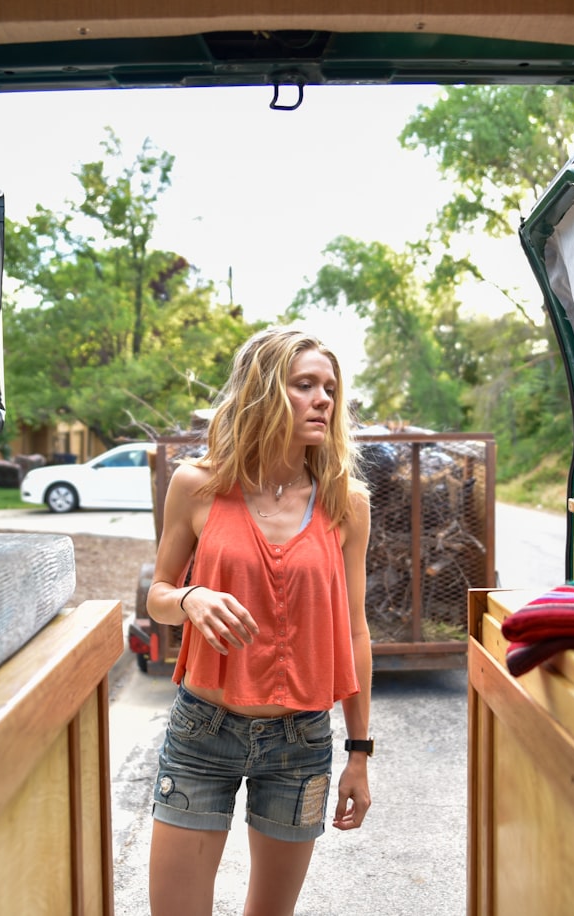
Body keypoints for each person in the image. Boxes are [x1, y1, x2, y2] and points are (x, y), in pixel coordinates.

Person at [146, 326, 373, 916]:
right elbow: (158, 595)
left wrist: (359, 754)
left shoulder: (345, 501)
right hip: (202, 732)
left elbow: (355, 630)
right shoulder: (198, 486)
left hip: (300, 743)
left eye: (329, 387)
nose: (324, 398)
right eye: (305, 385)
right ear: (264, 391)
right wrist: (190, 597)